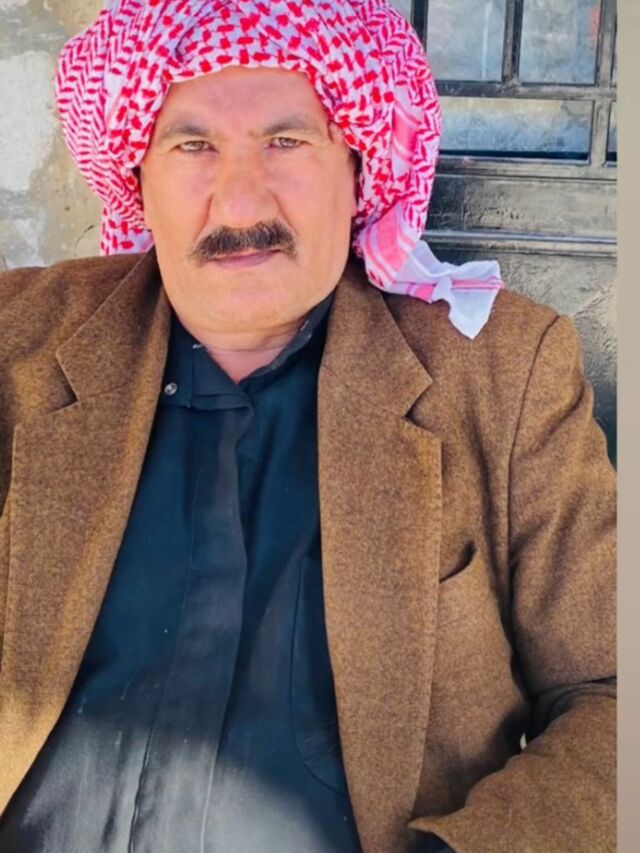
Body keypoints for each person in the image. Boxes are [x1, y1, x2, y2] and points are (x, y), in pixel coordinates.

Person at [0, 1, 615, 852]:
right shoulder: (19, 342)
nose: (239, 199)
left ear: (360, 167)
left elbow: (609, 690)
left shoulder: (503, 376)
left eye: (286, 141)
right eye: (192, 146)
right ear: (137, 178)